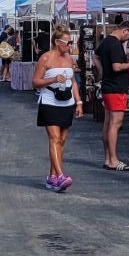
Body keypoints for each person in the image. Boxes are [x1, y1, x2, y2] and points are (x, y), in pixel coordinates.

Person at [33, 28, 82, 191]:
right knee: (54, 138)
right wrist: (53, 79)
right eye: (67, 43)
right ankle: (60, 175)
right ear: (57, 42)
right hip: (49, 101)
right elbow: (35, 82)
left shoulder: (69, 58)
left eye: (70, 43)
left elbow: (73, 81)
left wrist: (79, 101)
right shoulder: (46, 58)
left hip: (66, 102)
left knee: (61, 140)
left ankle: (52, 177)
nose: (69, 46)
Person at [96, 18, 129, 171]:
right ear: (125, 31)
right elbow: (117, 67)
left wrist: (102, 71)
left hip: (108, 86)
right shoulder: (116, 44)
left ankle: (108, 158)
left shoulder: (106, 42)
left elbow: (95, 56)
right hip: (116, 88)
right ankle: (113, 159)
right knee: (115, 123)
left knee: (108, 122)